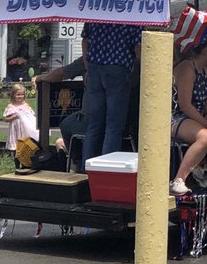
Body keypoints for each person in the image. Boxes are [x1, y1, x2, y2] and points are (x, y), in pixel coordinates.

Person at [169, 34, 207, 194]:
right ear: (205, 50)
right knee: (205, 137)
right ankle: (179, 180)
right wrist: (206, 124)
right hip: (176, 117)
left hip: (196, 118)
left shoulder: (206, 72)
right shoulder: (187, 68)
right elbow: (185, 105)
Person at [81, 22, 141, 166]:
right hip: (118, 68)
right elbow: (138, 48)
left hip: (95, 67)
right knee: (113, 127)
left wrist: (87, 67)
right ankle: (106, 169)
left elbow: (85, 41)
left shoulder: (97, 10)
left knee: (94, 125)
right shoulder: (133, 16)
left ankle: (84, 171)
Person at [33, 57, 86, 154]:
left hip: (92, 112)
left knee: (66, 125)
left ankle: (76, 161)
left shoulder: (88, 58)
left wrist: (41, 78)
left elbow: (60, 73)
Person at [2, 83, 38, 152]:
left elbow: (32, 116)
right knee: (16, 147)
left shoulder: (25, 105)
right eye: (18, 94)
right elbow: (6, 119)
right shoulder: (11, 106)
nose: (20, 96)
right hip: (15, 129)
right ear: (13, 95)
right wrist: (14, 117)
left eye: (22, 94)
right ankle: (16, 158)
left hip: (24, 129)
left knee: (25, 146)